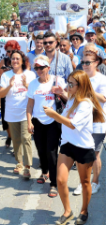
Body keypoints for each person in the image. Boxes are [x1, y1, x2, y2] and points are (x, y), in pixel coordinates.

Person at [44, 70, 104, 225]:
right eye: (67, 82)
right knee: (60, 180)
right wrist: (61, 92)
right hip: (67, 144)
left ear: (80, 85)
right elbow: (67, 111)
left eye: (71, 84)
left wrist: (53, 114)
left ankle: (84, 211)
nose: (68, 86)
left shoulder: (86, 104)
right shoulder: (71, 98)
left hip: (83, 147)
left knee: (85, 182)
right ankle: (67, 212)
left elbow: (71, 124)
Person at [27, 55, 67, 197]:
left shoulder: (58, 81)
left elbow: (69, 100)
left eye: (41, 67)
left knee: (51, 152)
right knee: (41, 150)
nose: (39, 70)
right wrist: (29, 121)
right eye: (36, 68)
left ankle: (54, 184)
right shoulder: (33, 84)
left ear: (48, 68)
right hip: (38, 121)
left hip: (53, 121)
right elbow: (30, 104)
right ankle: (44, 172)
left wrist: (60, 92)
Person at [73, 47, 106, 196]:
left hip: (98, 122)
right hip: (82, 121)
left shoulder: (102, 79)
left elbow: (104, 98)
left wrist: (88, 88)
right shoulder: (79, 76)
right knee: (82, 153)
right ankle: (83, 182)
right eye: (83, 62)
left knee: (94, 154)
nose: (85, 65)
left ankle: (95, 182)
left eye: (88, 62)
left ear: (97, 62)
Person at [0, 50, 36, 178]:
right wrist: (9, 86)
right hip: (11, 113)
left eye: (17, 58)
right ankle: (19, 162)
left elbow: (35, 94)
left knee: (26, 138)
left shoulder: (30, 75)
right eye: (13, 59)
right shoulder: (6, 75)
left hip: (26, 113)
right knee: (16, 139)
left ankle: (27, 166)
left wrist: (26, 85)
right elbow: (1, 94)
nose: (15, 61)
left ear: (22, 61)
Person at [0, 40, 22, 148]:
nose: (10, 53)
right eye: (8, 51)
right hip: (6, 92)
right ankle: (10, 136)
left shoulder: (22, 61)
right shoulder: (3, 61)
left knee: (20, 119)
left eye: (13, 51)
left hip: (19, 94)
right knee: (6, 119)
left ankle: (17, 143)